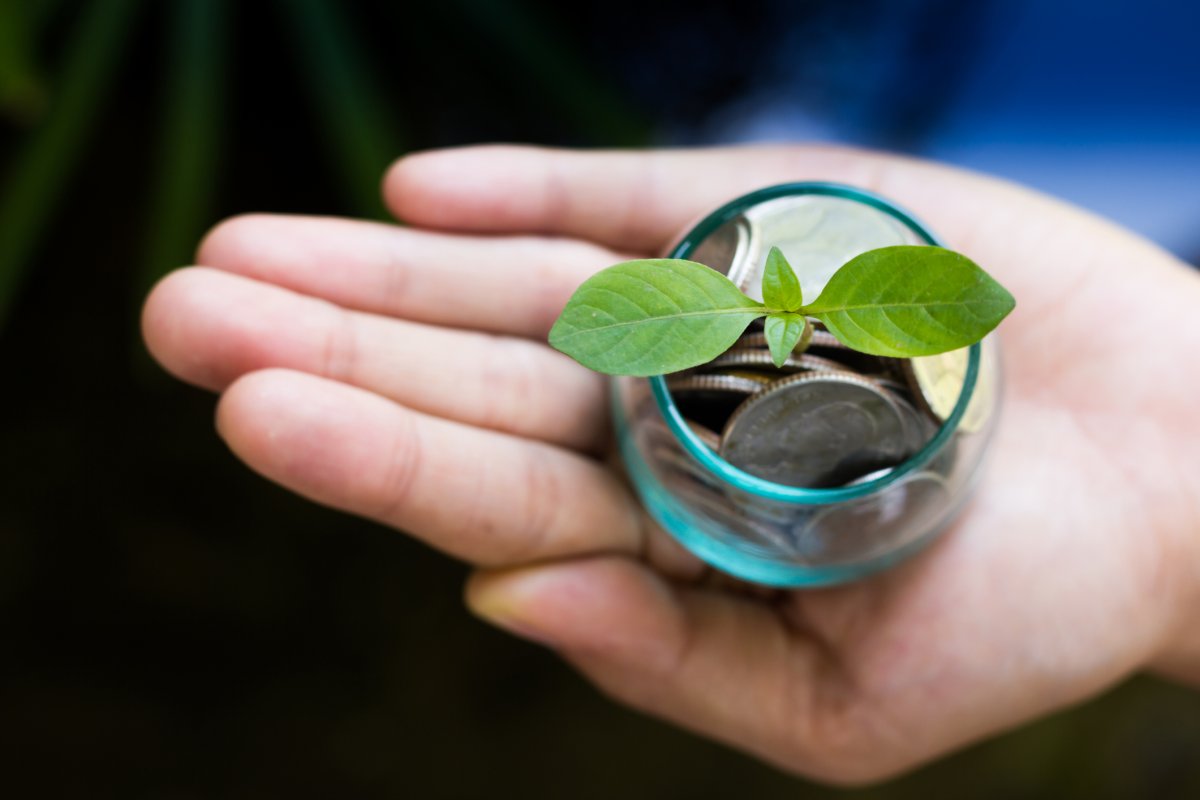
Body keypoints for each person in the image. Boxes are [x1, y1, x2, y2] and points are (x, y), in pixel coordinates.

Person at [141, 144, 1200, 784]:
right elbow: (632, 350)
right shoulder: (678, 376)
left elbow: (959, 316)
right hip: (703, 462)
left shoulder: (954, 388)